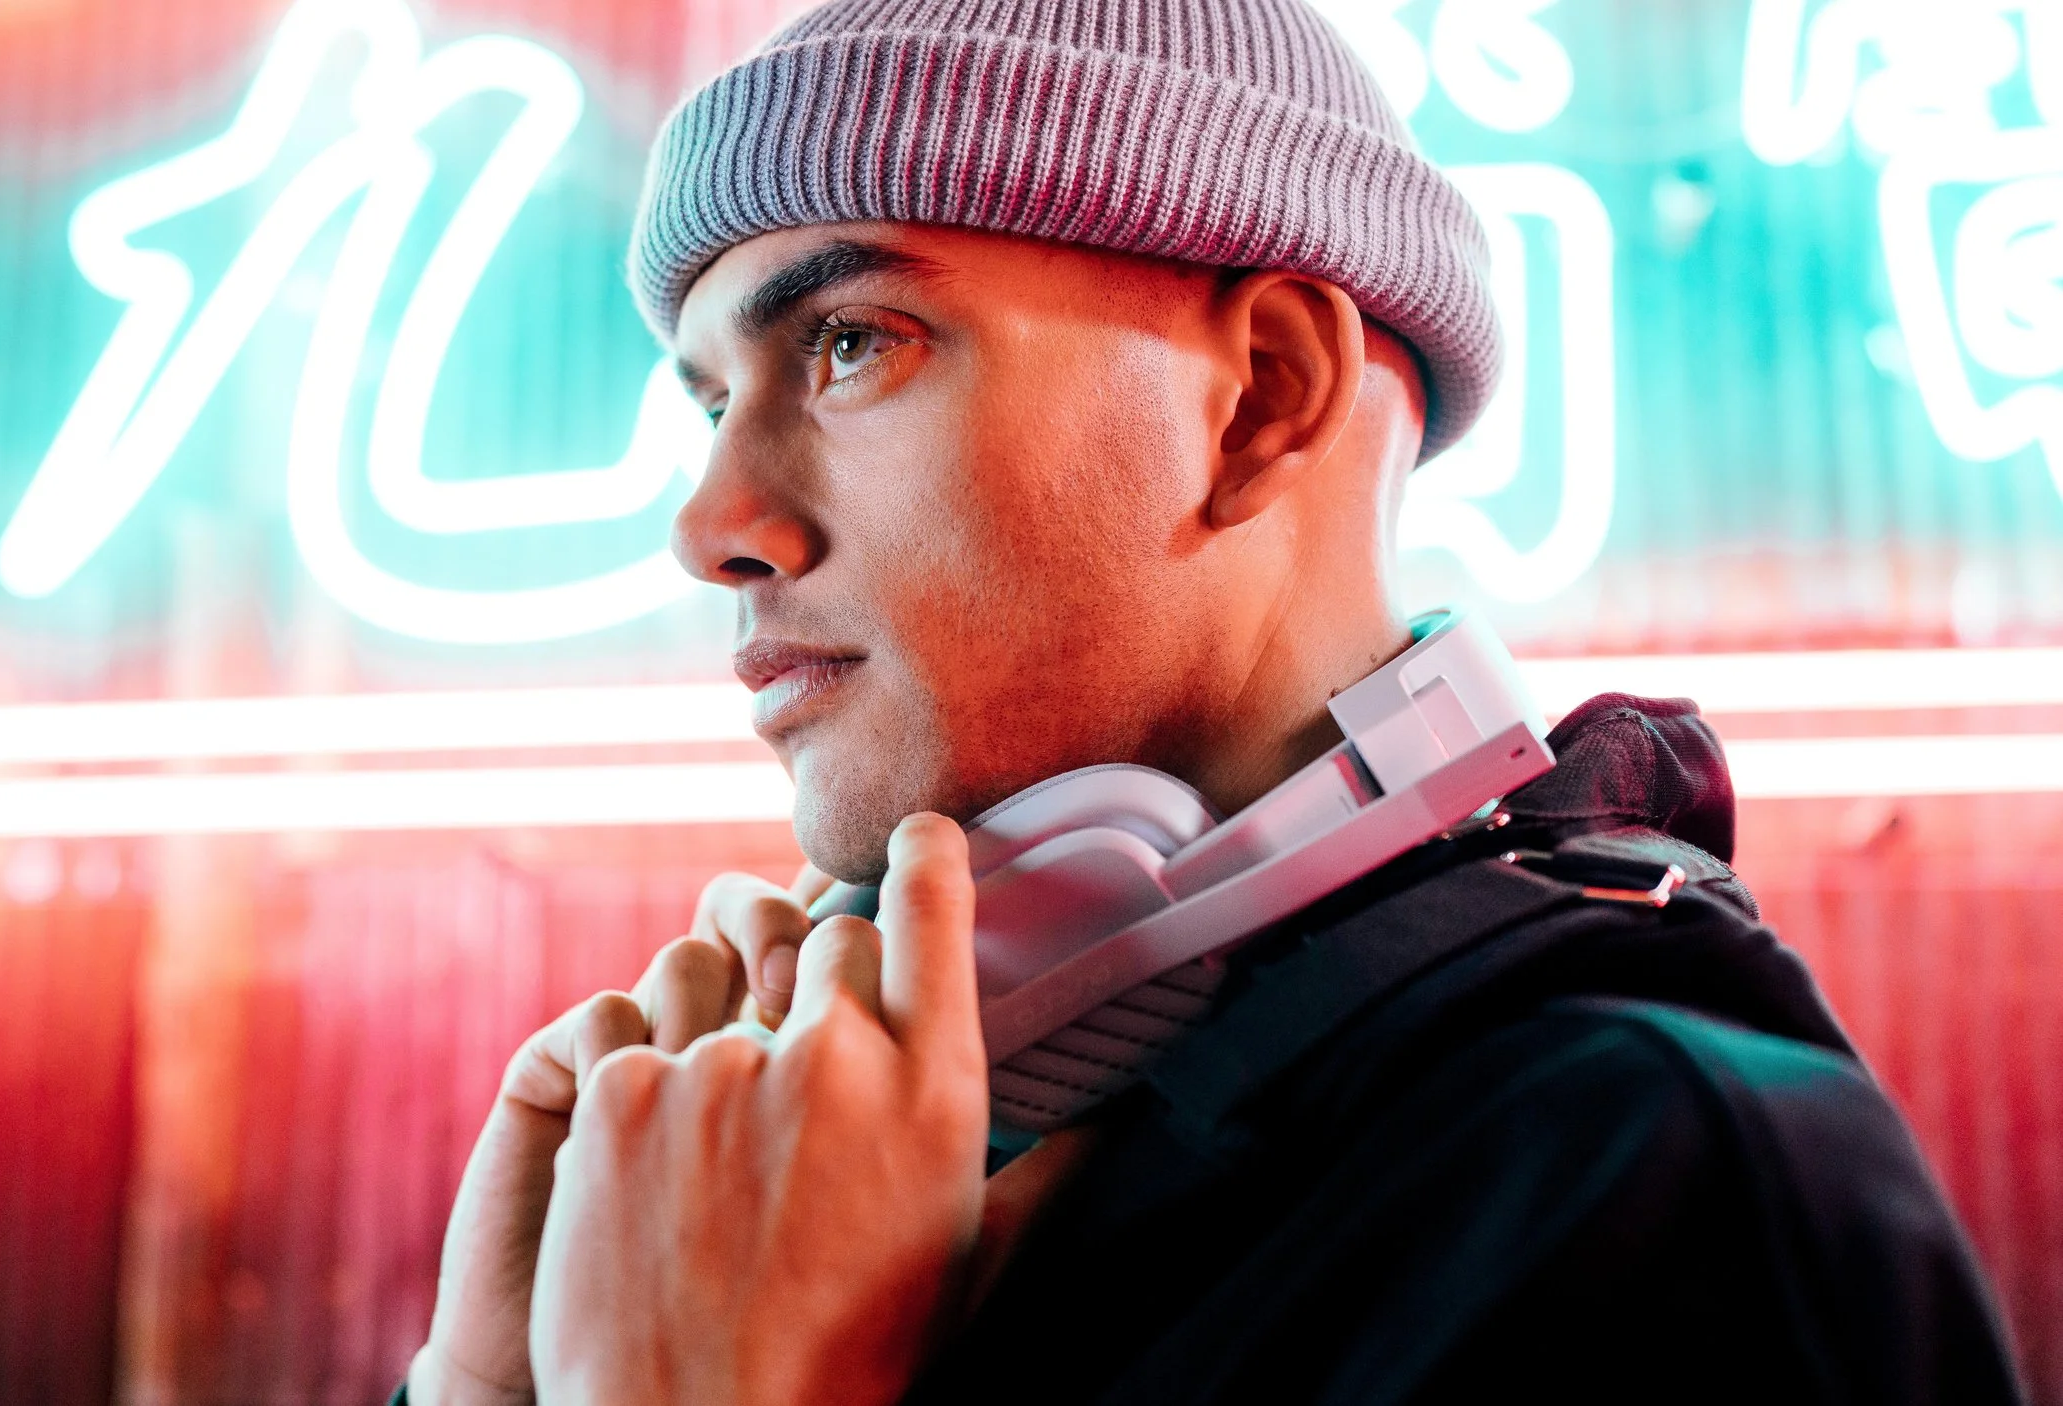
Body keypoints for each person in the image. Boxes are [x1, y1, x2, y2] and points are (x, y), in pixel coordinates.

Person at [399, 0, 2025, 1401]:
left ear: (1266, 393)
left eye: (848, 343)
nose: (709, 525)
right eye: (709, 401)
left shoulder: (1668, 1195)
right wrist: (485, 1383)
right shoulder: (869, 1181)